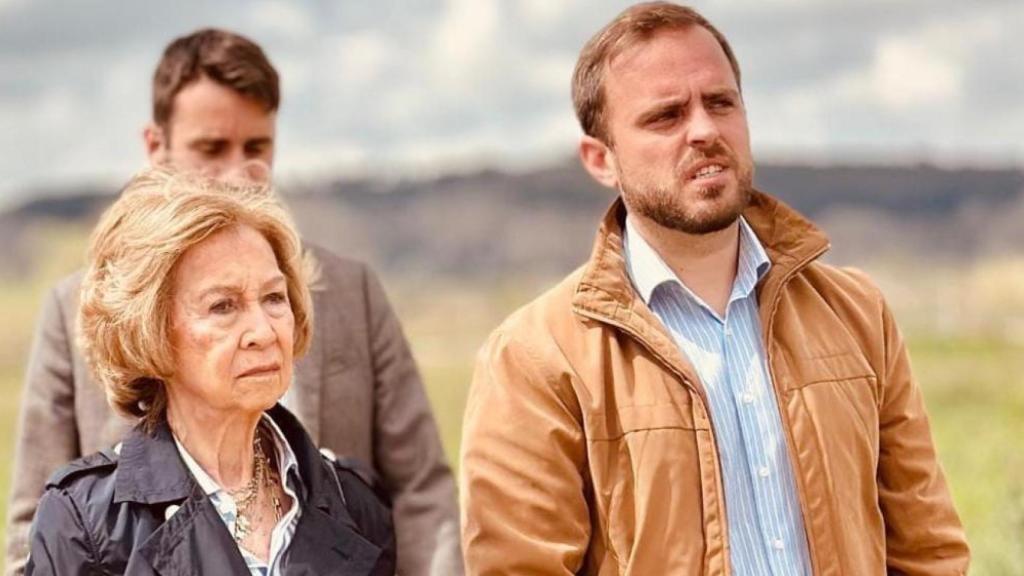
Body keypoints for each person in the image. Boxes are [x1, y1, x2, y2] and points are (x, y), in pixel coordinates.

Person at [459, 3, 970, 574]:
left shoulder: (856, 314)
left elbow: (927, 551)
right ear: (601, 160)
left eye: (720, 103)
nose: (703, 130)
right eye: (666, 116)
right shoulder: (535, 356)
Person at [6, 29, 460, 576]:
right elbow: (37, 529)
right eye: (211, 148)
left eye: (257, 148)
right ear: (156, 148)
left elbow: (420, 488)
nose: (238, 173)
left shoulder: (350, 291)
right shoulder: (80, 311)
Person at [25, 167, 396, 574]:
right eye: (223, 306)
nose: (262, 331)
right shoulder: (83, 524)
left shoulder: (356, 502)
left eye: (274, 297)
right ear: (150, 329)